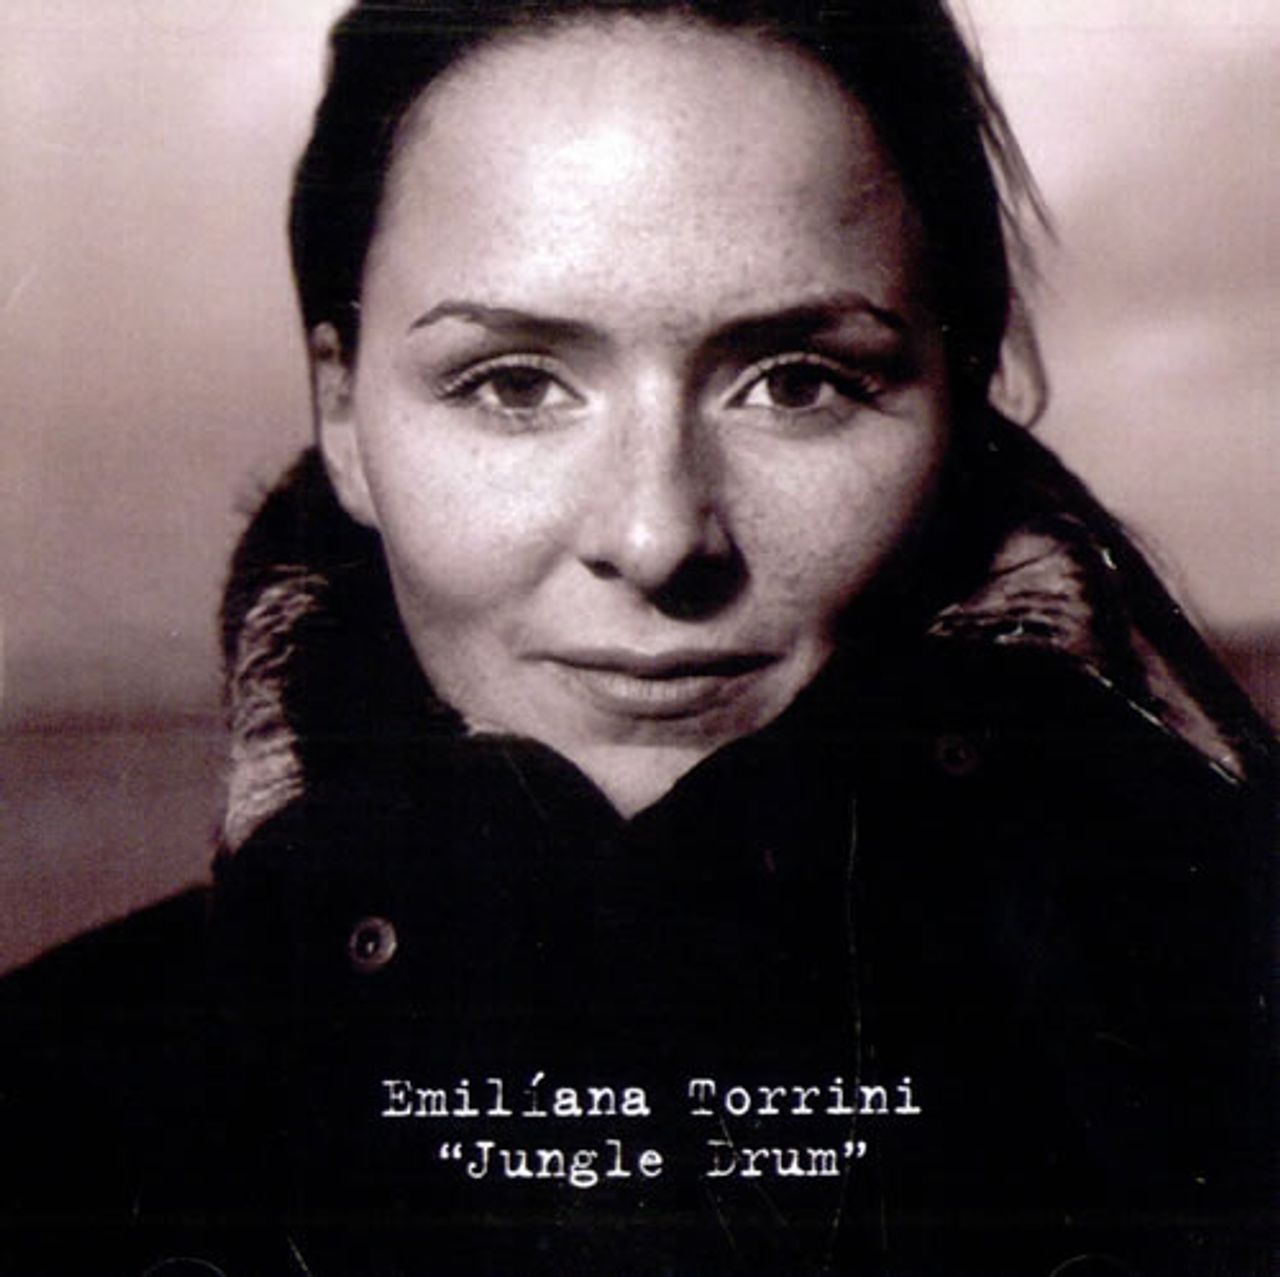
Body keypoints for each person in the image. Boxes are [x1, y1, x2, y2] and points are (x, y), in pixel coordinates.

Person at [1, 1, 1273, 1274]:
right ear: (344, 416)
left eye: (796, 381)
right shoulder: (46, 1108)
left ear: (962, 389)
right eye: (514, 383)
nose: (659, 537)